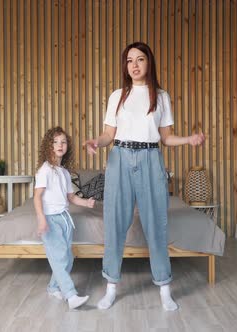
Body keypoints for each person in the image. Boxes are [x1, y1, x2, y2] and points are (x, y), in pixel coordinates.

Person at [84, 42, 205, 311]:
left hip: (151, 159)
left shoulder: (161, 96)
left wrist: (189, 139)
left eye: (140, 59)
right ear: (125, 65)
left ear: (149, 62)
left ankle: (164, 288)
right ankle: (111, 286)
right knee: (115, 223)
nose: (134, 65)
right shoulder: (117, 95)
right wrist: (96, 141)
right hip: (120, 158)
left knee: (156, 224)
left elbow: (166, 138)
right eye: (129, 60)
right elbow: (108, 134)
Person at [34, 126, 96, 310]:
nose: (60, 145)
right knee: (59, 258)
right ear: (49, 146)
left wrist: (86, 203)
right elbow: (37, 197)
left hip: (65, 219)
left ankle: (53, 288)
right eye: (55, 142)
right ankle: (71, 295)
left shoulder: (65, 173)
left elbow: (71, 197)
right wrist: (41, 219)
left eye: (63, 141)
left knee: (67, 258)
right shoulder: (44, 170)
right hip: (51, 219)